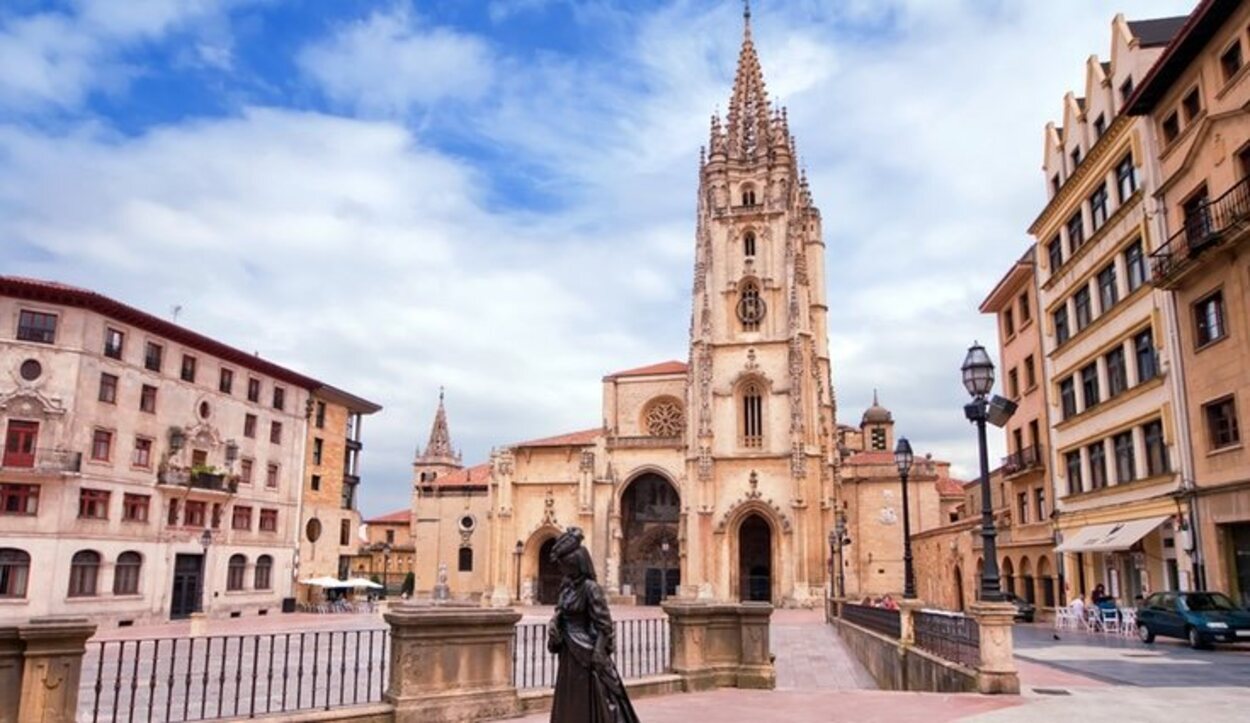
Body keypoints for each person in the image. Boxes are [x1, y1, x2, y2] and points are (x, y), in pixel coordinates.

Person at [547, 527, 639, 723]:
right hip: (569, 650)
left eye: (565, 565)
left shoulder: (591, 589)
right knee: (570, 695)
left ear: (576, 564)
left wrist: (598, 653)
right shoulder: (567, 587)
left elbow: (604, 624)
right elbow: (560, 611)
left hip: (586, 651)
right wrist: (555, 623)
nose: (562, 570)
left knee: (593, 696)